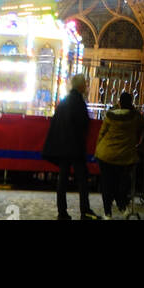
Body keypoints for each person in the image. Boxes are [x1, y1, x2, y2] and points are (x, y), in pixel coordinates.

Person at [42, 74, 99, 221]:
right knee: (82, 180)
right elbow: (83, 126)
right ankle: (84, 211)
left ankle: (62, 212)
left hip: (63, 148)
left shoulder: (65, 102)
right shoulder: (79, 102)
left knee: (62, 180)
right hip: (75, 148)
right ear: (80, 86)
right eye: (85, 84)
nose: (86, 86)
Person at [94, 91, 144, 218]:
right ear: (131, 103)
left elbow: (101, 134)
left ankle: (107, 213)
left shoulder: (110, 115)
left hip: (105, 154)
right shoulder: (135, 118)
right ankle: (123, 207)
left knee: (106, 184)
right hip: (124, 157)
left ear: (119, 102)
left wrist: (97, 149)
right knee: (122, 183)